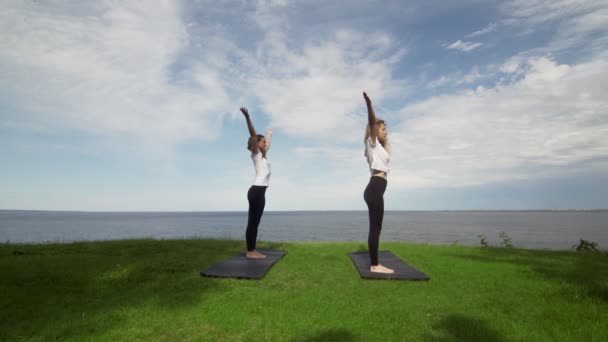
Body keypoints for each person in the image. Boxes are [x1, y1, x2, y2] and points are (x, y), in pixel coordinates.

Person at [362, 92, 394, 274]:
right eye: (383, 129)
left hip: (376, 189)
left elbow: (386, 154)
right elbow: (373, 121)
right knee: (375, 227)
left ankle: (375, 262)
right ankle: (375, 265)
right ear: (374, 130)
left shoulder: (380, 146)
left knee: (377, 226)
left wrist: (386, 139)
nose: (385, 132)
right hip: (374, 188)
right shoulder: (371, 142)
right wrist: (369, 106)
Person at [240, 107, 272, 259]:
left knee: (255, 222)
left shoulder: (263, 156)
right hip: (257, 191)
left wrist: (269, 135)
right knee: (253, 221)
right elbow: (253, 134)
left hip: (260, 192)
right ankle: (250, 251)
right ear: (256, 144)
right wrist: (247, 117)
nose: (265, 144)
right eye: (263, 142)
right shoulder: (256, 153)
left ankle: (252, 250)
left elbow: (268, 145)